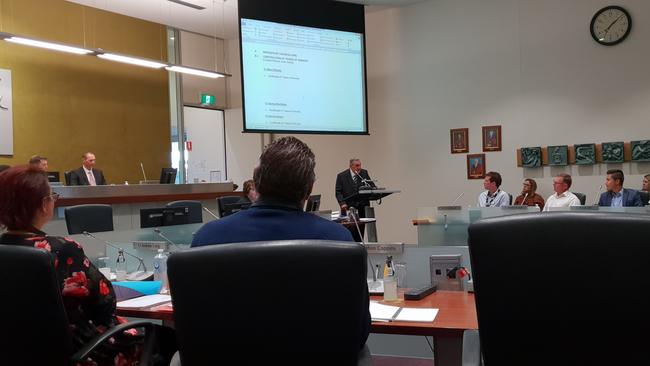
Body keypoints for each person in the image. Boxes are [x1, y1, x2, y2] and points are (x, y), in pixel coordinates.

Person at [191, 137, 369, 349]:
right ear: (309, 188)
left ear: (256, 182)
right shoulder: (339, 242)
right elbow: (358, 331)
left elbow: (196, 326)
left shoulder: (207, 238)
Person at [0, 166, 144, 364]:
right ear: (44, 205)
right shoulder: (63, 250)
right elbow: (105, 303)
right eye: (52, 195)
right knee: (160, 340)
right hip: (79, 351)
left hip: (14, 352)